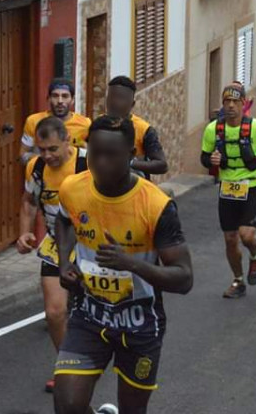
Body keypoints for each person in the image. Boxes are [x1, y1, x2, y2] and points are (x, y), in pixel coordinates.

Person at [54, 115, 192, 414]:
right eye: (94, 153)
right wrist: (65, 262)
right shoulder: (73, 189)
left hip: (140, 323)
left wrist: (130, 263)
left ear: (131, 155)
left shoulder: (156, 205)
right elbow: (64, 221)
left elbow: (184, 278)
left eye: (111, 155)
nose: (100, 163)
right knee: (67, 405)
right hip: (89, 315)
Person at [15, 116, 88, 393]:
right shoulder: (36, 168)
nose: (47, 156)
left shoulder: (87, 162)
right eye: (41, 149)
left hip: (89, 245)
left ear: (67, 141)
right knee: (55, 312)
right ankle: (68, 368)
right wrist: (24, 233)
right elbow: (29, 202)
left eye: (52, 149)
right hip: (57, 245)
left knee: (95, 313)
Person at [200, 85, 256, 298]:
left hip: (251, 186)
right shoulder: (213, 129)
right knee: (230, 239)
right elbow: (204, 157)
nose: (231, 106)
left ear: (244, 103)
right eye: (227, 102)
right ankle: (238, 280)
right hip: (227, 189)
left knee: (247, 235)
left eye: (235, 102)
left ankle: (255, 253)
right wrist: (211, 160)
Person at [105, 76, 168, 179]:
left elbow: (162, 165)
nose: (114, 102)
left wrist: (129, 163)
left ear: (132, 104)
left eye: (120, 98)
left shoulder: (144, 130)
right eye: (111, 97)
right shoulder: (98, 124)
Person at [21, 79, 92, 165]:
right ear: (48, 99)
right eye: (55, 96)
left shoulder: (85, 124)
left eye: (65, 96)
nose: (60, 101)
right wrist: (46, 158)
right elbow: (23, 155)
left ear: (73, 100)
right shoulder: (33, 121)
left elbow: (93, 156)